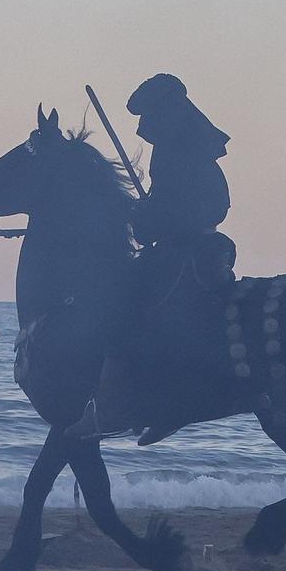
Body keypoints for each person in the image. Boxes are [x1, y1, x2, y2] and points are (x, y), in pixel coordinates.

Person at [74, 74, 235, 443]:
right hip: (190, 248)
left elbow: (201, 208)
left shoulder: (181, 153)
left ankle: (116, 407)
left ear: (166, 114)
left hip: (185, 254)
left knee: (119, 304)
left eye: (148, 116)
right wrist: (150, 211)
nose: (143, 127)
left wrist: (150, 217)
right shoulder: (187, 149)